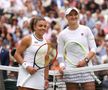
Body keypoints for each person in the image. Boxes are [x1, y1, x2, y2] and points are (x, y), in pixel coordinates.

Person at [57, 7, 97, 90]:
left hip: (86, 68)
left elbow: (93, 48)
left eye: (75, 14)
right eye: (70, 15)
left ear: (78, 16)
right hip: (70, 69)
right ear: (66, 17)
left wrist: (85, 60)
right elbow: (60, 54)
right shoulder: (62, 34)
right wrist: (61, 65)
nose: (73, 17)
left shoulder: (86, 29)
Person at [14, 16, 49, 90]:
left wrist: (46, 79)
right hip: (26, 74)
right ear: (34, 27)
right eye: (40, 26)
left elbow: (46, 61)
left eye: (45, 26)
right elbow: (16, 54)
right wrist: (27, 67)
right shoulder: (28, 39)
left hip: (39, 77)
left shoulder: (47, 42)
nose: (43, 28)